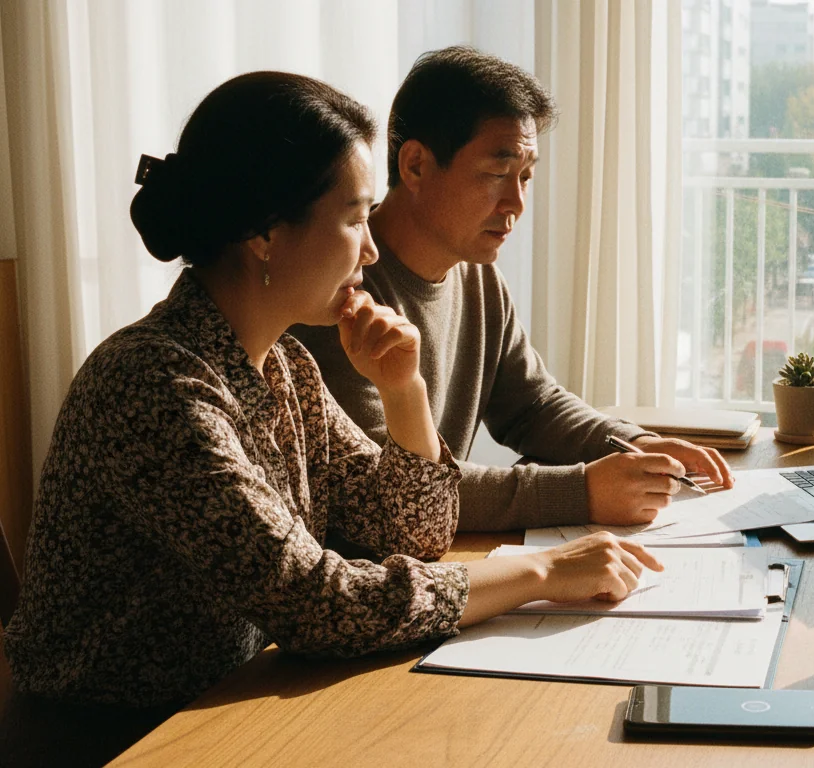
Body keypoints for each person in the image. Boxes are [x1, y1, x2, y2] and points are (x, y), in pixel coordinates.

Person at [3, 72, 661, 709]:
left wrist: (406, 392)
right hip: (107, 737)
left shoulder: (287, 366)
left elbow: (411, 533)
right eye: (353, 220)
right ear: (264, 232)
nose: (371, 252)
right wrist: (542, 575)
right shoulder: (153, 386)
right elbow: (320, 605)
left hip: (229, 703)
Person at [290, 47, 731, 533]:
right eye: (497, 174)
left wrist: (633, 443)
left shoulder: (476, 275)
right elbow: (393, 492)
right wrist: (581, 491)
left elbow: (533, 405)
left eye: (525, 176)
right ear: (414, 165)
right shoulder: (334, 294)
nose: (516, 202)